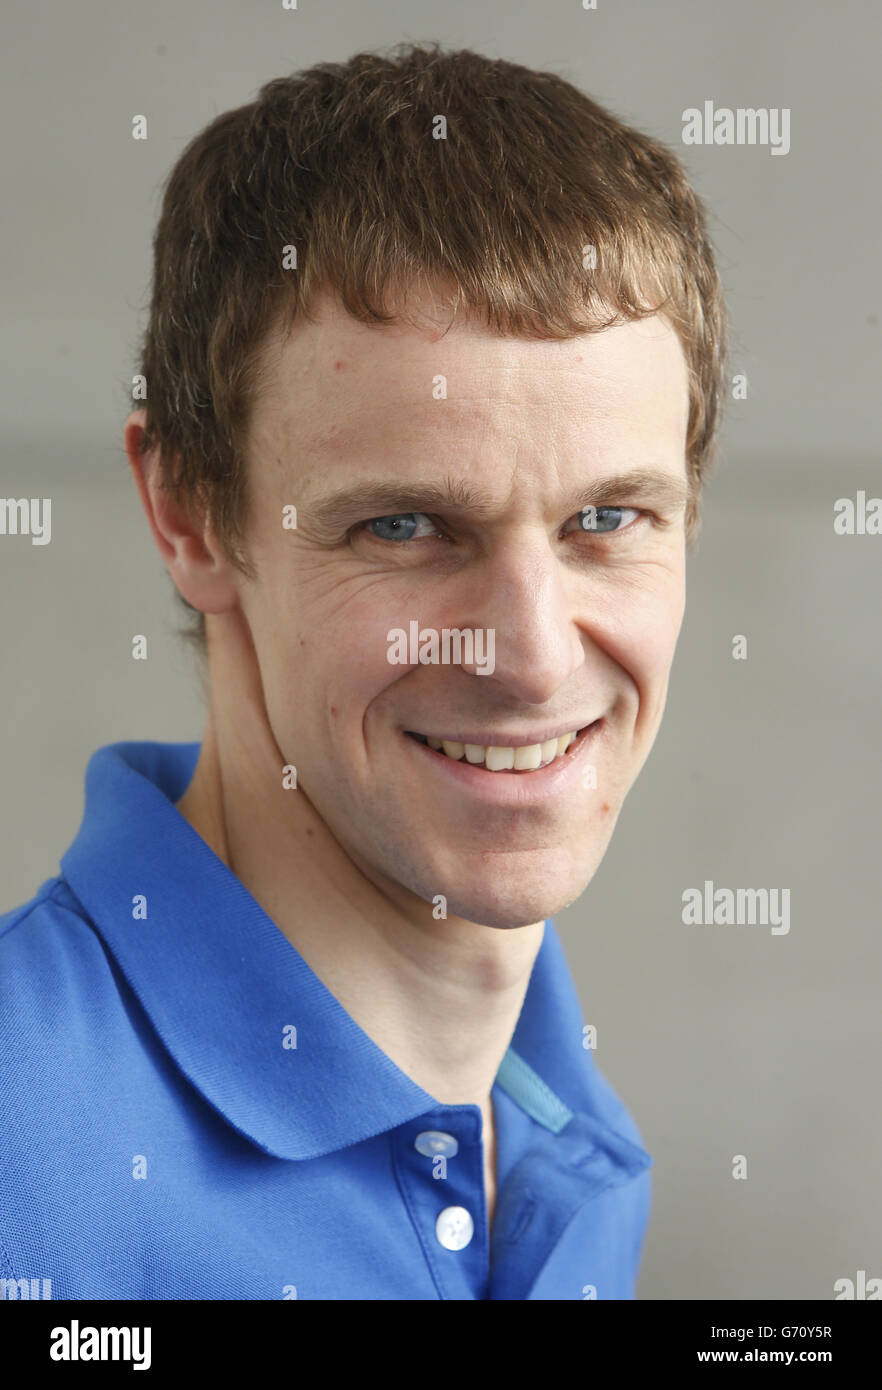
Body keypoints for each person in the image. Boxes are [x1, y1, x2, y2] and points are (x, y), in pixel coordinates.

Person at [0, 41, 727, 1300]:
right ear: (188, 513)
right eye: (404, 526)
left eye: (607, 519)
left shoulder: (573, 1150)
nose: (532, 654)